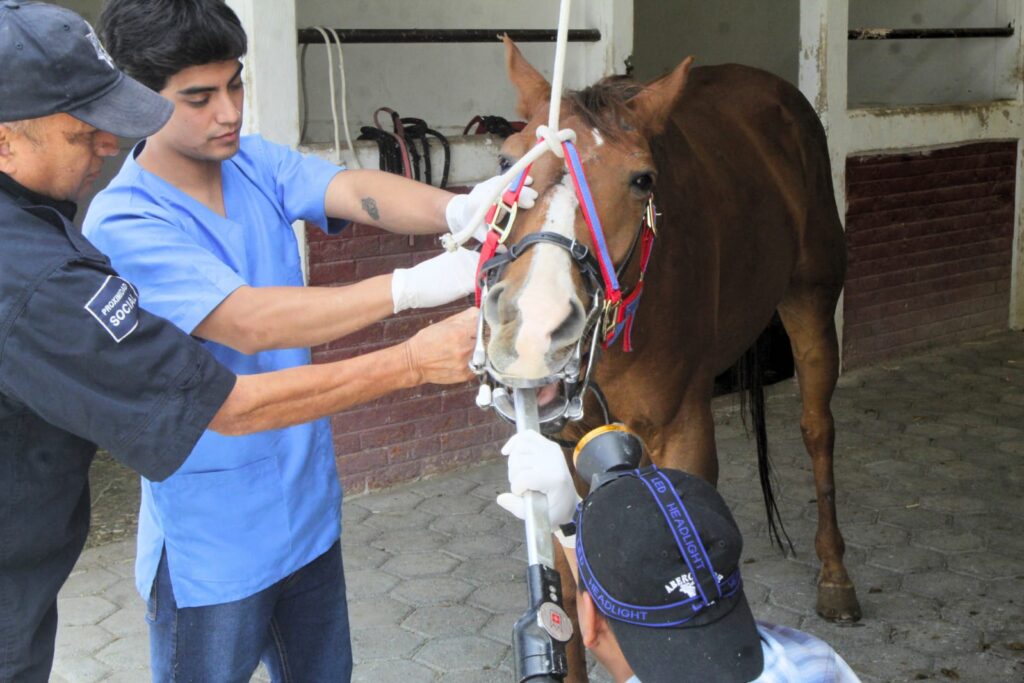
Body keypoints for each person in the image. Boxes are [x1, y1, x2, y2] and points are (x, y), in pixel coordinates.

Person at [0, 2, 479, 682]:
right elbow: (246, 323)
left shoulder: (253, 163)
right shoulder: (122, 220)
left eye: (236, 85)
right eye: (198, 97)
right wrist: (412, 299)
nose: (227, 112)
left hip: (305, 508)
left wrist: (458, 208)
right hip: (214, 539)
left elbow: (349, 186)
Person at [499, 429, 862, 682]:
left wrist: (572, 521)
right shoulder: (815, 661)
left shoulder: (602, 636)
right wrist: (569, 523)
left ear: (590, 624)